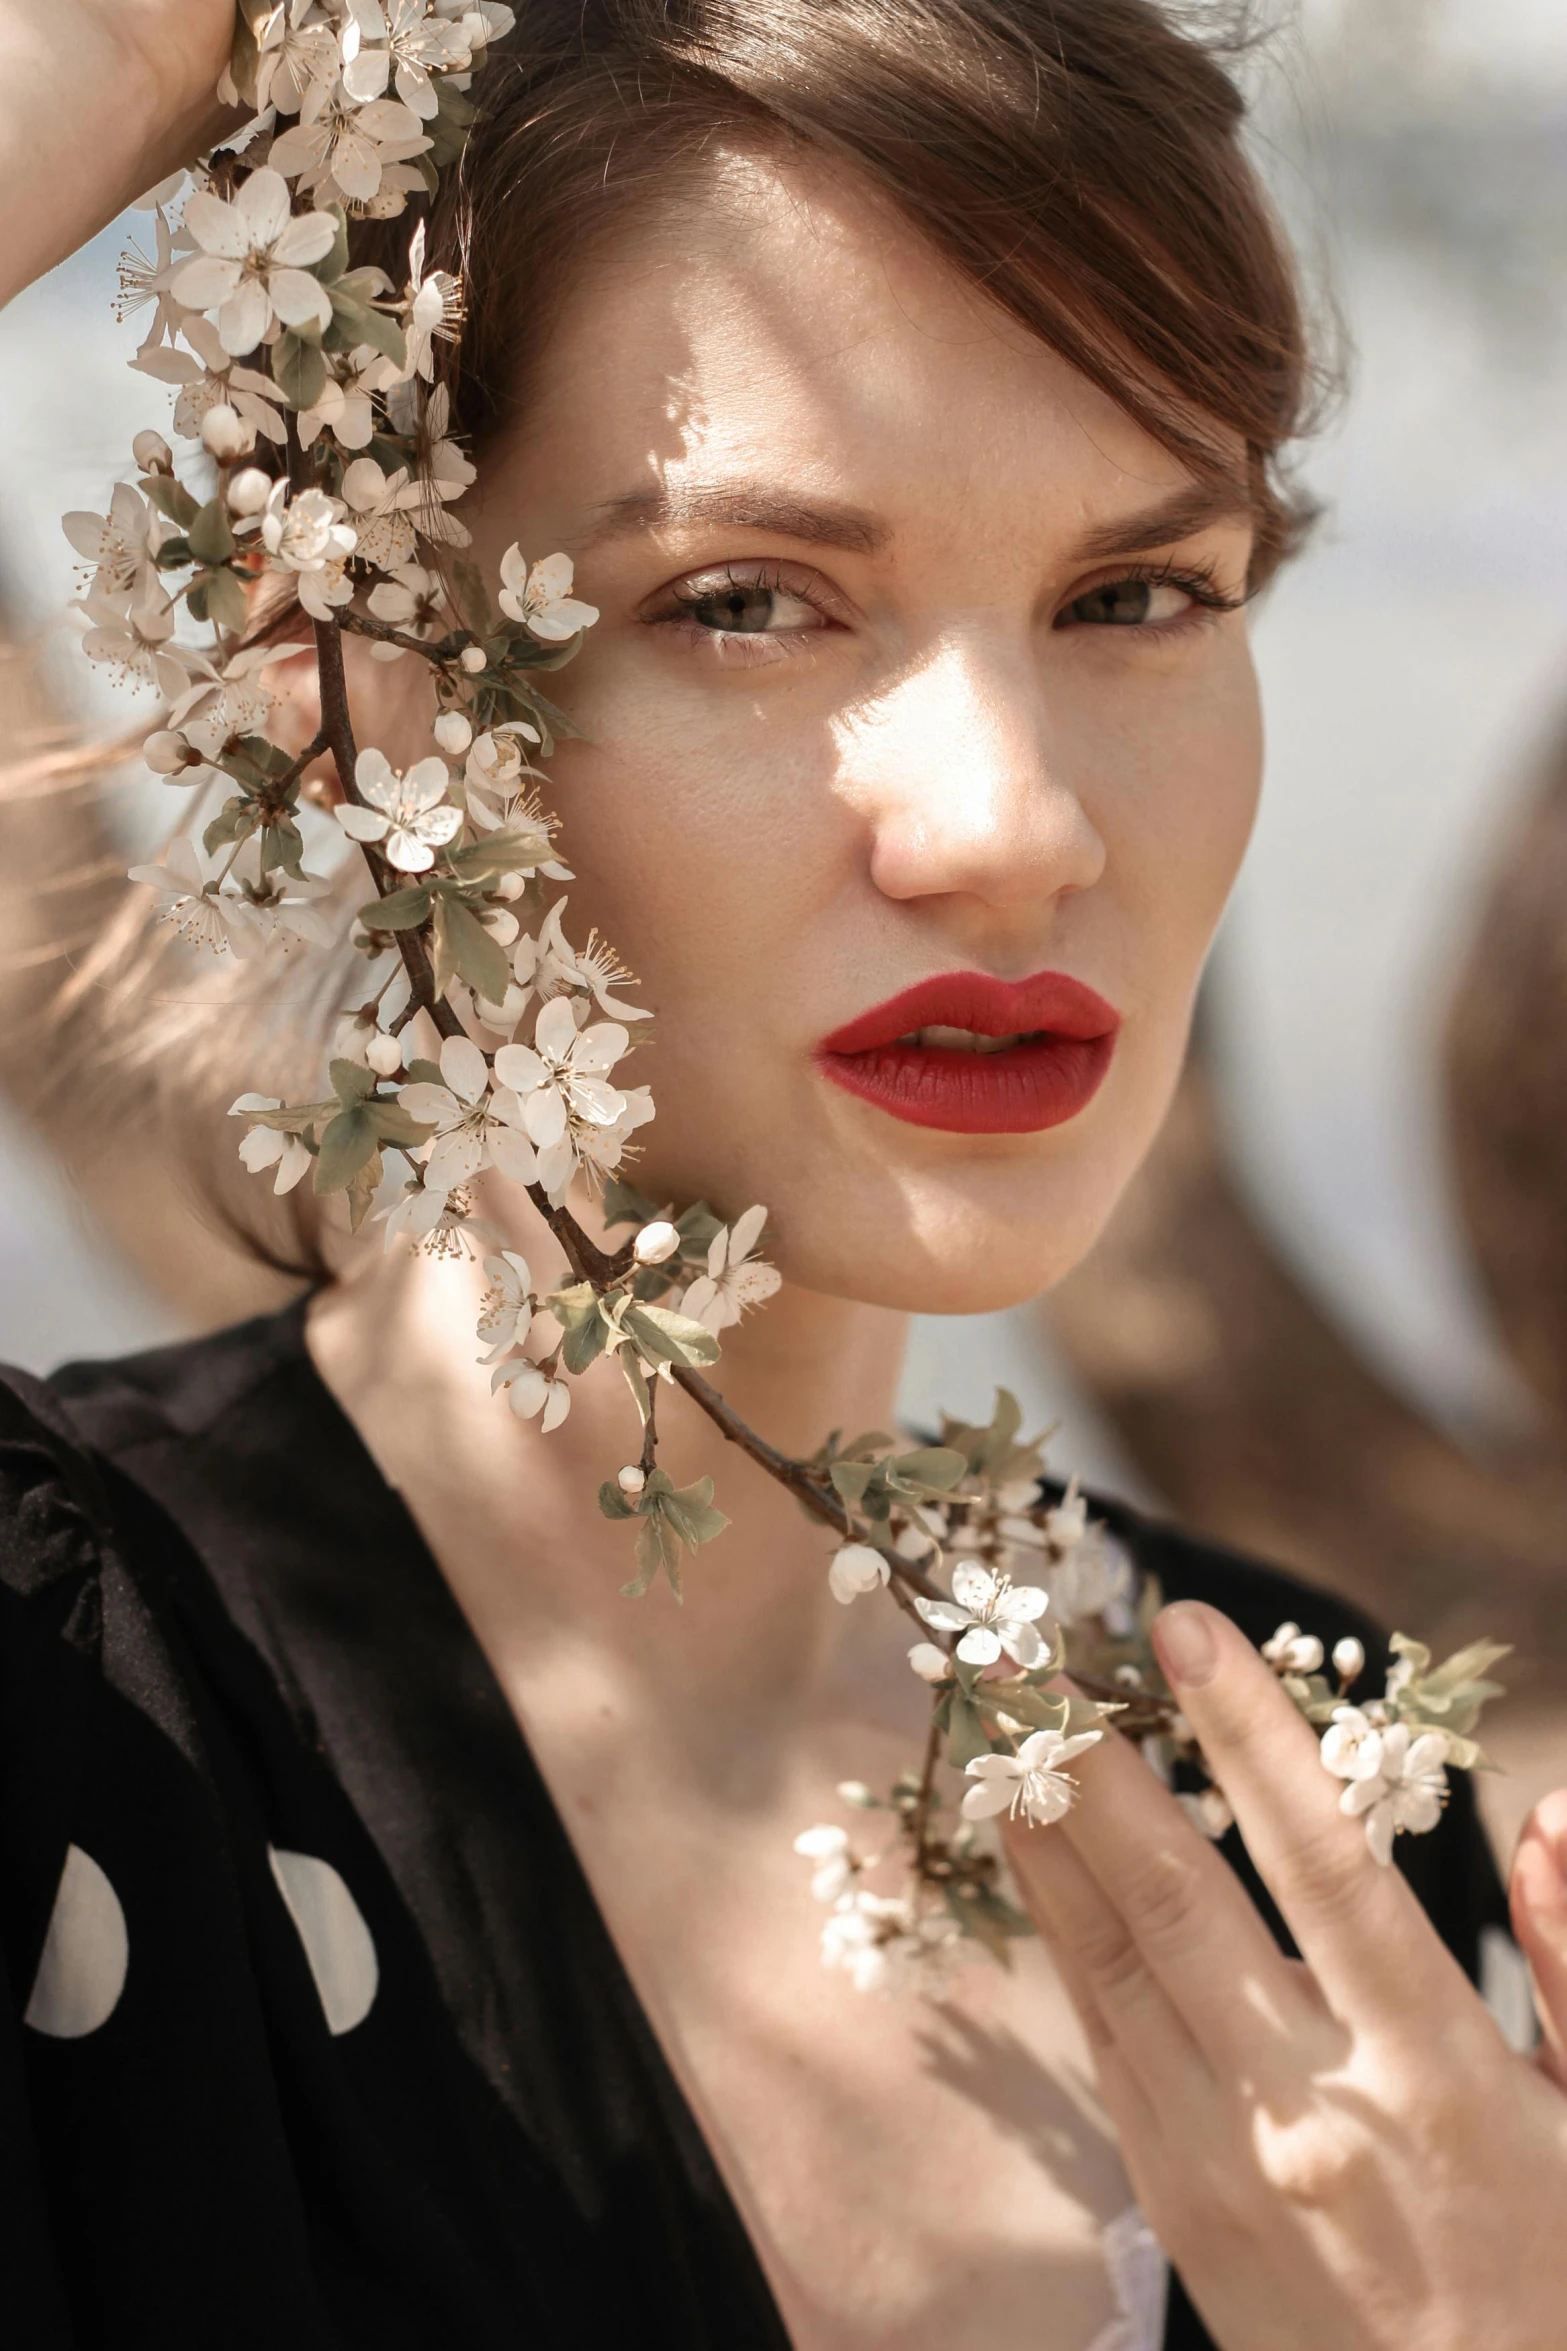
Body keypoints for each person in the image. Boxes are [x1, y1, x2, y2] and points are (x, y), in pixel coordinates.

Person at [2, 3, 1565, 2346]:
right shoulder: (82, 1705)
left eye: (1138, 593)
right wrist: (112, 55)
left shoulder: (1339, 1824)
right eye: (747, 600)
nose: (1015, 822)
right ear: (351, 706)